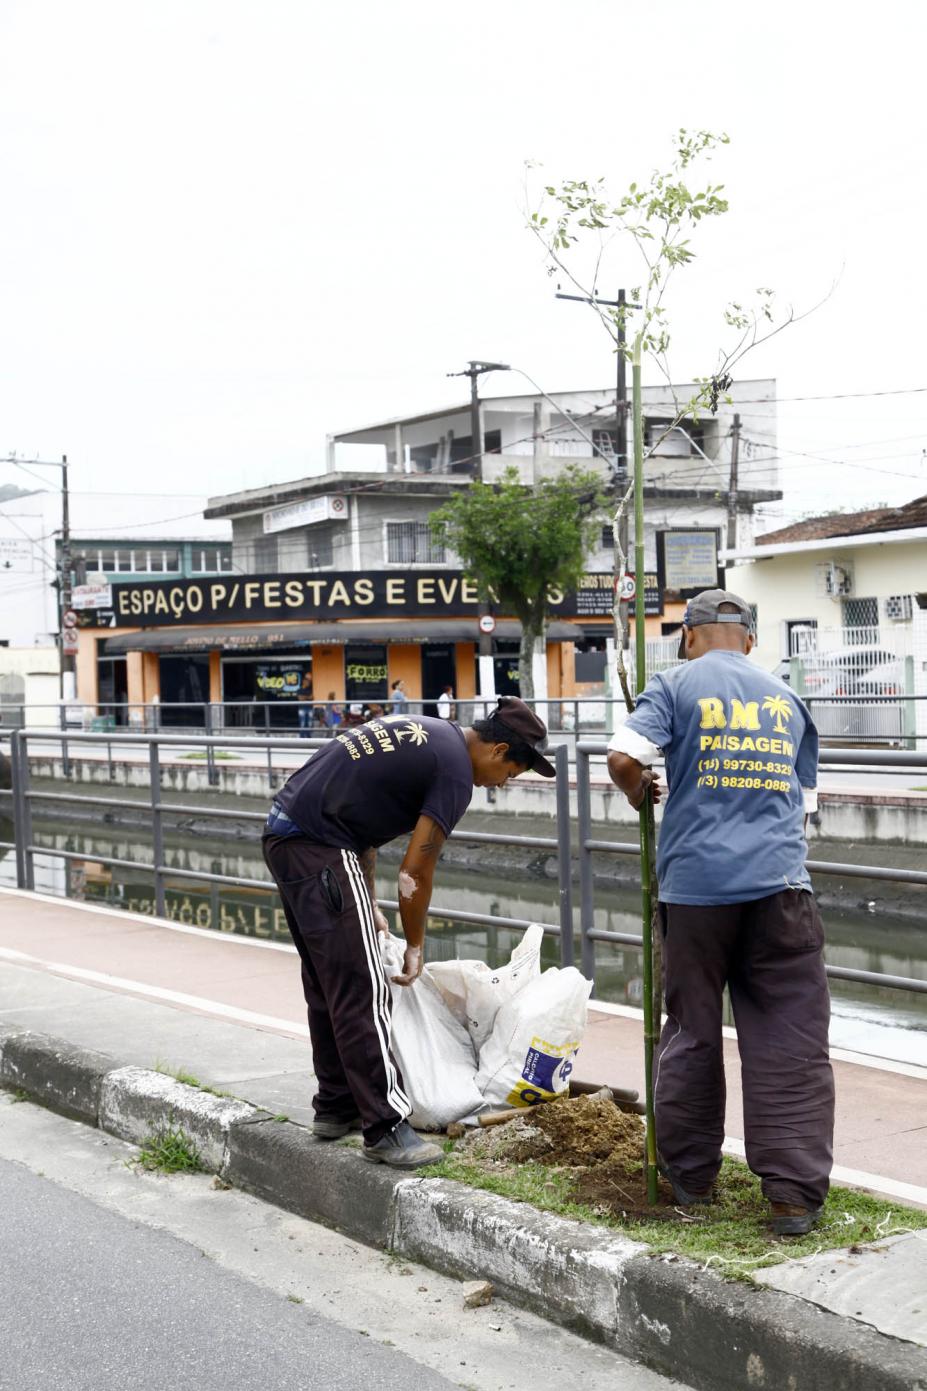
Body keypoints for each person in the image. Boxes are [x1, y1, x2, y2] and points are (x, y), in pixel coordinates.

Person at [606, 589, 833, 1237]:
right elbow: (803, 804)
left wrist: (638, 791)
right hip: (781, 889)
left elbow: (623, 757)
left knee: (693, 1029)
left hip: (695, 894)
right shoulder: (786, 699)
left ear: (689, 637)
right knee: (790, 1036)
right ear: (751, 642)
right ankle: (790, 1198)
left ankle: (690, 1178)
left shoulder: (675, 684)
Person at [263, 696, 555, 1168]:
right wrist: (415, 943)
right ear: (499, 751)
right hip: (320, 847)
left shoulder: (431, 733)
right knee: (363, 985)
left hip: (289, 837)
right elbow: (416, 871)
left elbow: (363, 822)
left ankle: (336, 1105)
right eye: (511, 774)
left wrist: (366, 900)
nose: (502, 783)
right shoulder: (456, 772)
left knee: (328, 980)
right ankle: (386, 1126)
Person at [296, 672, 314, 738]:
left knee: (309, 724)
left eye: (309, 682)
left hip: (309, 708)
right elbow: (300, 699)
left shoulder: (310, 689)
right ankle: (302, 738)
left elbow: (312, 697)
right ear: (304, 682)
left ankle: (309, 738)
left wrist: (304, 697)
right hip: (302, 709)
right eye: (307, 682)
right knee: (302, 724)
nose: (308, 683)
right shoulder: (299, 690)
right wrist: (307, 697)